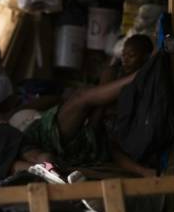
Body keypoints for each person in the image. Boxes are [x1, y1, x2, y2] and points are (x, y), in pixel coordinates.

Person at [21, 69, 155, 178]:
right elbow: (42, 157)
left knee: (90, 105)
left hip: (73, 143)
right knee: (81, 99)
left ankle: (140, 75)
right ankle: (142, 74)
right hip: (49, 143)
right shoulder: (24, 144)